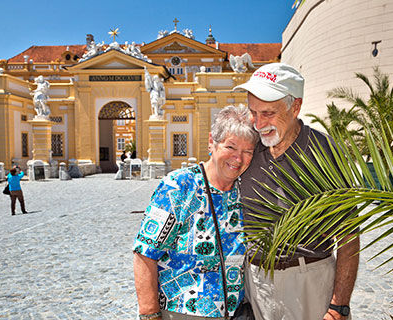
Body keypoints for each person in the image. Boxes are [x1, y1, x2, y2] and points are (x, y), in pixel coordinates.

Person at [233, 63, 360, 320]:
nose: (258, 124)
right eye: (252, 112)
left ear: (295, 107)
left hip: (310, 283)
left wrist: (339, 307)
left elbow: (348, 236)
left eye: (268, 113)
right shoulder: (247, 149)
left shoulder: (325, 152)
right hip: (256, 285)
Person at [133, 105, 258, 320]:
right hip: (183, 311)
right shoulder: (179, 186)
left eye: (247, 152)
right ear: (212, 142)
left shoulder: (244, 190)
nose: (238, 159)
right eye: (231, 147)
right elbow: (145, 253)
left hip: (235, 312)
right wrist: (149, 315)